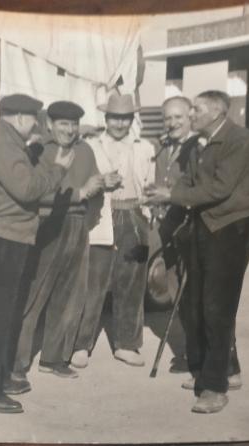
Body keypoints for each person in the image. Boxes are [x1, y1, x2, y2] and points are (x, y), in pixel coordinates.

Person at [0, 94, 74, 414]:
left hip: (0, 237)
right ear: (21, 118)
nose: (36, 125)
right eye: (34, 119)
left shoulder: (2, 138)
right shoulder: (3, 144)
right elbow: (26, 189)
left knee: (0, 315)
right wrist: (58, 170)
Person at [146, 90, 249, 414]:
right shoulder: (201, 143)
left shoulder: (241, 141)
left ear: (216, 111)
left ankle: (214, 387)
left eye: (196, 108)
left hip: (232, 227)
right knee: (198, 300)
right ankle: (228, 370)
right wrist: (171, 195)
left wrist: (172, 194)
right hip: (204, 224)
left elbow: (219, 189)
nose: (191, 113)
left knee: (216, 305)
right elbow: (192, 183)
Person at [8, 101, 104, 393]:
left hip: (77, 226)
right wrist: (80, 193)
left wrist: (101, 184)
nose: (69, 129)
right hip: (46, 225)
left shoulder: (86, 150)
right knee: (33, 296)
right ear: (49, 124)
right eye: (63, 123)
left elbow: (93, 183)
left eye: (73, 124)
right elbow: (33, 193)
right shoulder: (38, 150)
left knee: (71, 296)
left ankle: (54, 359)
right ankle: (15, 366)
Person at [70, 91, 155, 370]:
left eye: (125, 118)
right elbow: (80, 179)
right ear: (106, 118)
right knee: (93, 283)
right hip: (102, 215)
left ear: (132, 119)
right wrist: (99, 181)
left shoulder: (145, 147)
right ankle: (81, 345)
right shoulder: (91, 146)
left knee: (131, 283)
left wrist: (149, 208)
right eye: (115, 118)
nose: (119, 124)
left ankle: (127, 344)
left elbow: (149, 184)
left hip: (134, 215)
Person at [151, 95, 196, 373]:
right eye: (168, 117)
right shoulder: (163, 147)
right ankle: (189, 350)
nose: (173, 122)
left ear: (191, 115)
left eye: (178, 116)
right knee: (174, 286)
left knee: (194, 291)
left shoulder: (197, 147)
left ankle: (199, 353)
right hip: (167, 226)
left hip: (190, 224)